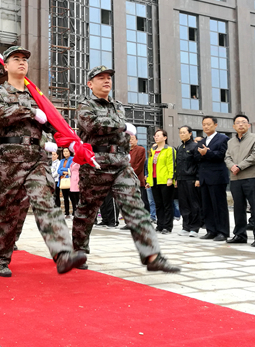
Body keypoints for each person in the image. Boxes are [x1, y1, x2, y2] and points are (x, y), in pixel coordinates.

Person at [0, 45, 86, 278]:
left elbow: (53, 123)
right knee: (7, 211)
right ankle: (1, 258)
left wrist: (68, 141)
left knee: (46, 203)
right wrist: (29, 112)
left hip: (36, 158)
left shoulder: (37, 96)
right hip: (8, 160)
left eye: (24, 59)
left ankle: (62, 254)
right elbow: (0, 115)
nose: (22, 62)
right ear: (6, 65)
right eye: (16, 59)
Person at [72, 65, 179, 273]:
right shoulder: (84, 105)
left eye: (109, 78)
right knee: (87, 209)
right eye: (100, 78)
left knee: (135, 206)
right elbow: (94, 126)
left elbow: (118, 131)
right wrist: (121, 126)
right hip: (95, 164)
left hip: (120, 163)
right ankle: (78, 251)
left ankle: (151, 255)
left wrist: (122, 140)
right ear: (90, 84)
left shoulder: (118, 105)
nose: (106, 81)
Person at [225, 114, 255, 247]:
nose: (241, 125)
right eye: (238, 122)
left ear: (249, 125)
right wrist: (232, 166)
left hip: (251, 177)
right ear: (234, 126)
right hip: (235, 178)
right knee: (238, 208)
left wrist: (239, 166)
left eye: (244, 122)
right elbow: (227, 157)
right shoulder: (230, 142)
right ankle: (240, 235)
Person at [194, 116, 230, 241]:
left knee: (219, 205)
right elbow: (197, 158)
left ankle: (223, 231)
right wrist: (202, 154)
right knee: (207, 205)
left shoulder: (223, 138)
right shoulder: (201, 141)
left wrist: (207, 153)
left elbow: (223, 155)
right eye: (204, 124)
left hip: (217, 176)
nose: (206, 126)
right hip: (204, 177)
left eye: (209, 124)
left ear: (215, 125)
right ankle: (211, 230)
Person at [146, 130, 176, 234]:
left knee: (167, 204)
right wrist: (149, 180)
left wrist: (170, 178)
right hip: (154, 180)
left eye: (158, 135)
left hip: (165, 180)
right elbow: (150, 166)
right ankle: (160, 224)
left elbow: (171, 164)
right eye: (155, 136)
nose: (156, 137)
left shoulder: (169, 149)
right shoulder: (152, 150)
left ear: (165, 137)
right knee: (158, 204)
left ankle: (167, 226)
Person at [175, 126, 201, 237]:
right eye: (180, 133)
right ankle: (186, 226)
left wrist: (198, 178)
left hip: (191, 179)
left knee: (194, 204)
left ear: (190, 133)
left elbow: (199, 164)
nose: (182, 134)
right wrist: (176, 178)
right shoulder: (180, 147)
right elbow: (178, 165)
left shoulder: (195, 146)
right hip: (181, 179)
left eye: (184, 132)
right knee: (183, 204)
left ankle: (194, 228)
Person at [120, 135, 147, 230]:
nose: (130, 141)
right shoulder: (125, 150)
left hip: (136, 179)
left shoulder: (141, 149)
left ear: (137, 140)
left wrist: (130, 174)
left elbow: (140, 165)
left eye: (132, 139)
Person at [58, 148, 74, 219]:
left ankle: (74, 212)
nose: (65, 153)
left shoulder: (72, 159)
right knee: (65, 198)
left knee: (72, 197)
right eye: (64, 151)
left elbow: (71, 169)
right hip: (63, 180)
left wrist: (64, 169)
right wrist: (63, 171)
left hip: (70, 180)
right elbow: (59, 170)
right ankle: (66, 213)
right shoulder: (61, 160)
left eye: (66, 151)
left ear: (69, 152)